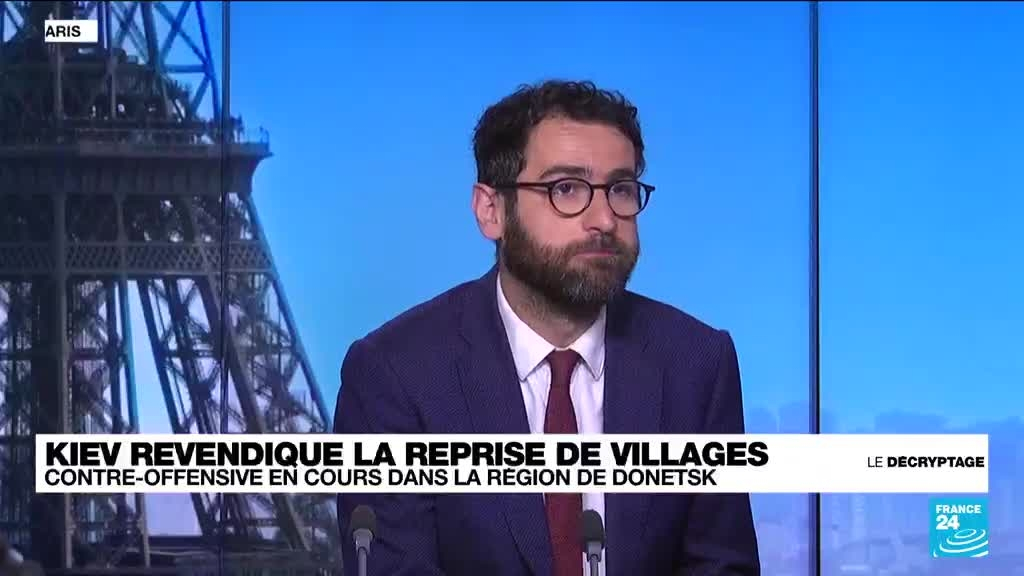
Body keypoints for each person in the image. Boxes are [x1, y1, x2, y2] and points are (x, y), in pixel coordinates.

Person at [334, 79, 760, 576]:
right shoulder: (395, 374)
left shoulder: (697, 362)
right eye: (566, 189)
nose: (604, 219)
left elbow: (720, 566)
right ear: (491, 211)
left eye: (621, 190)